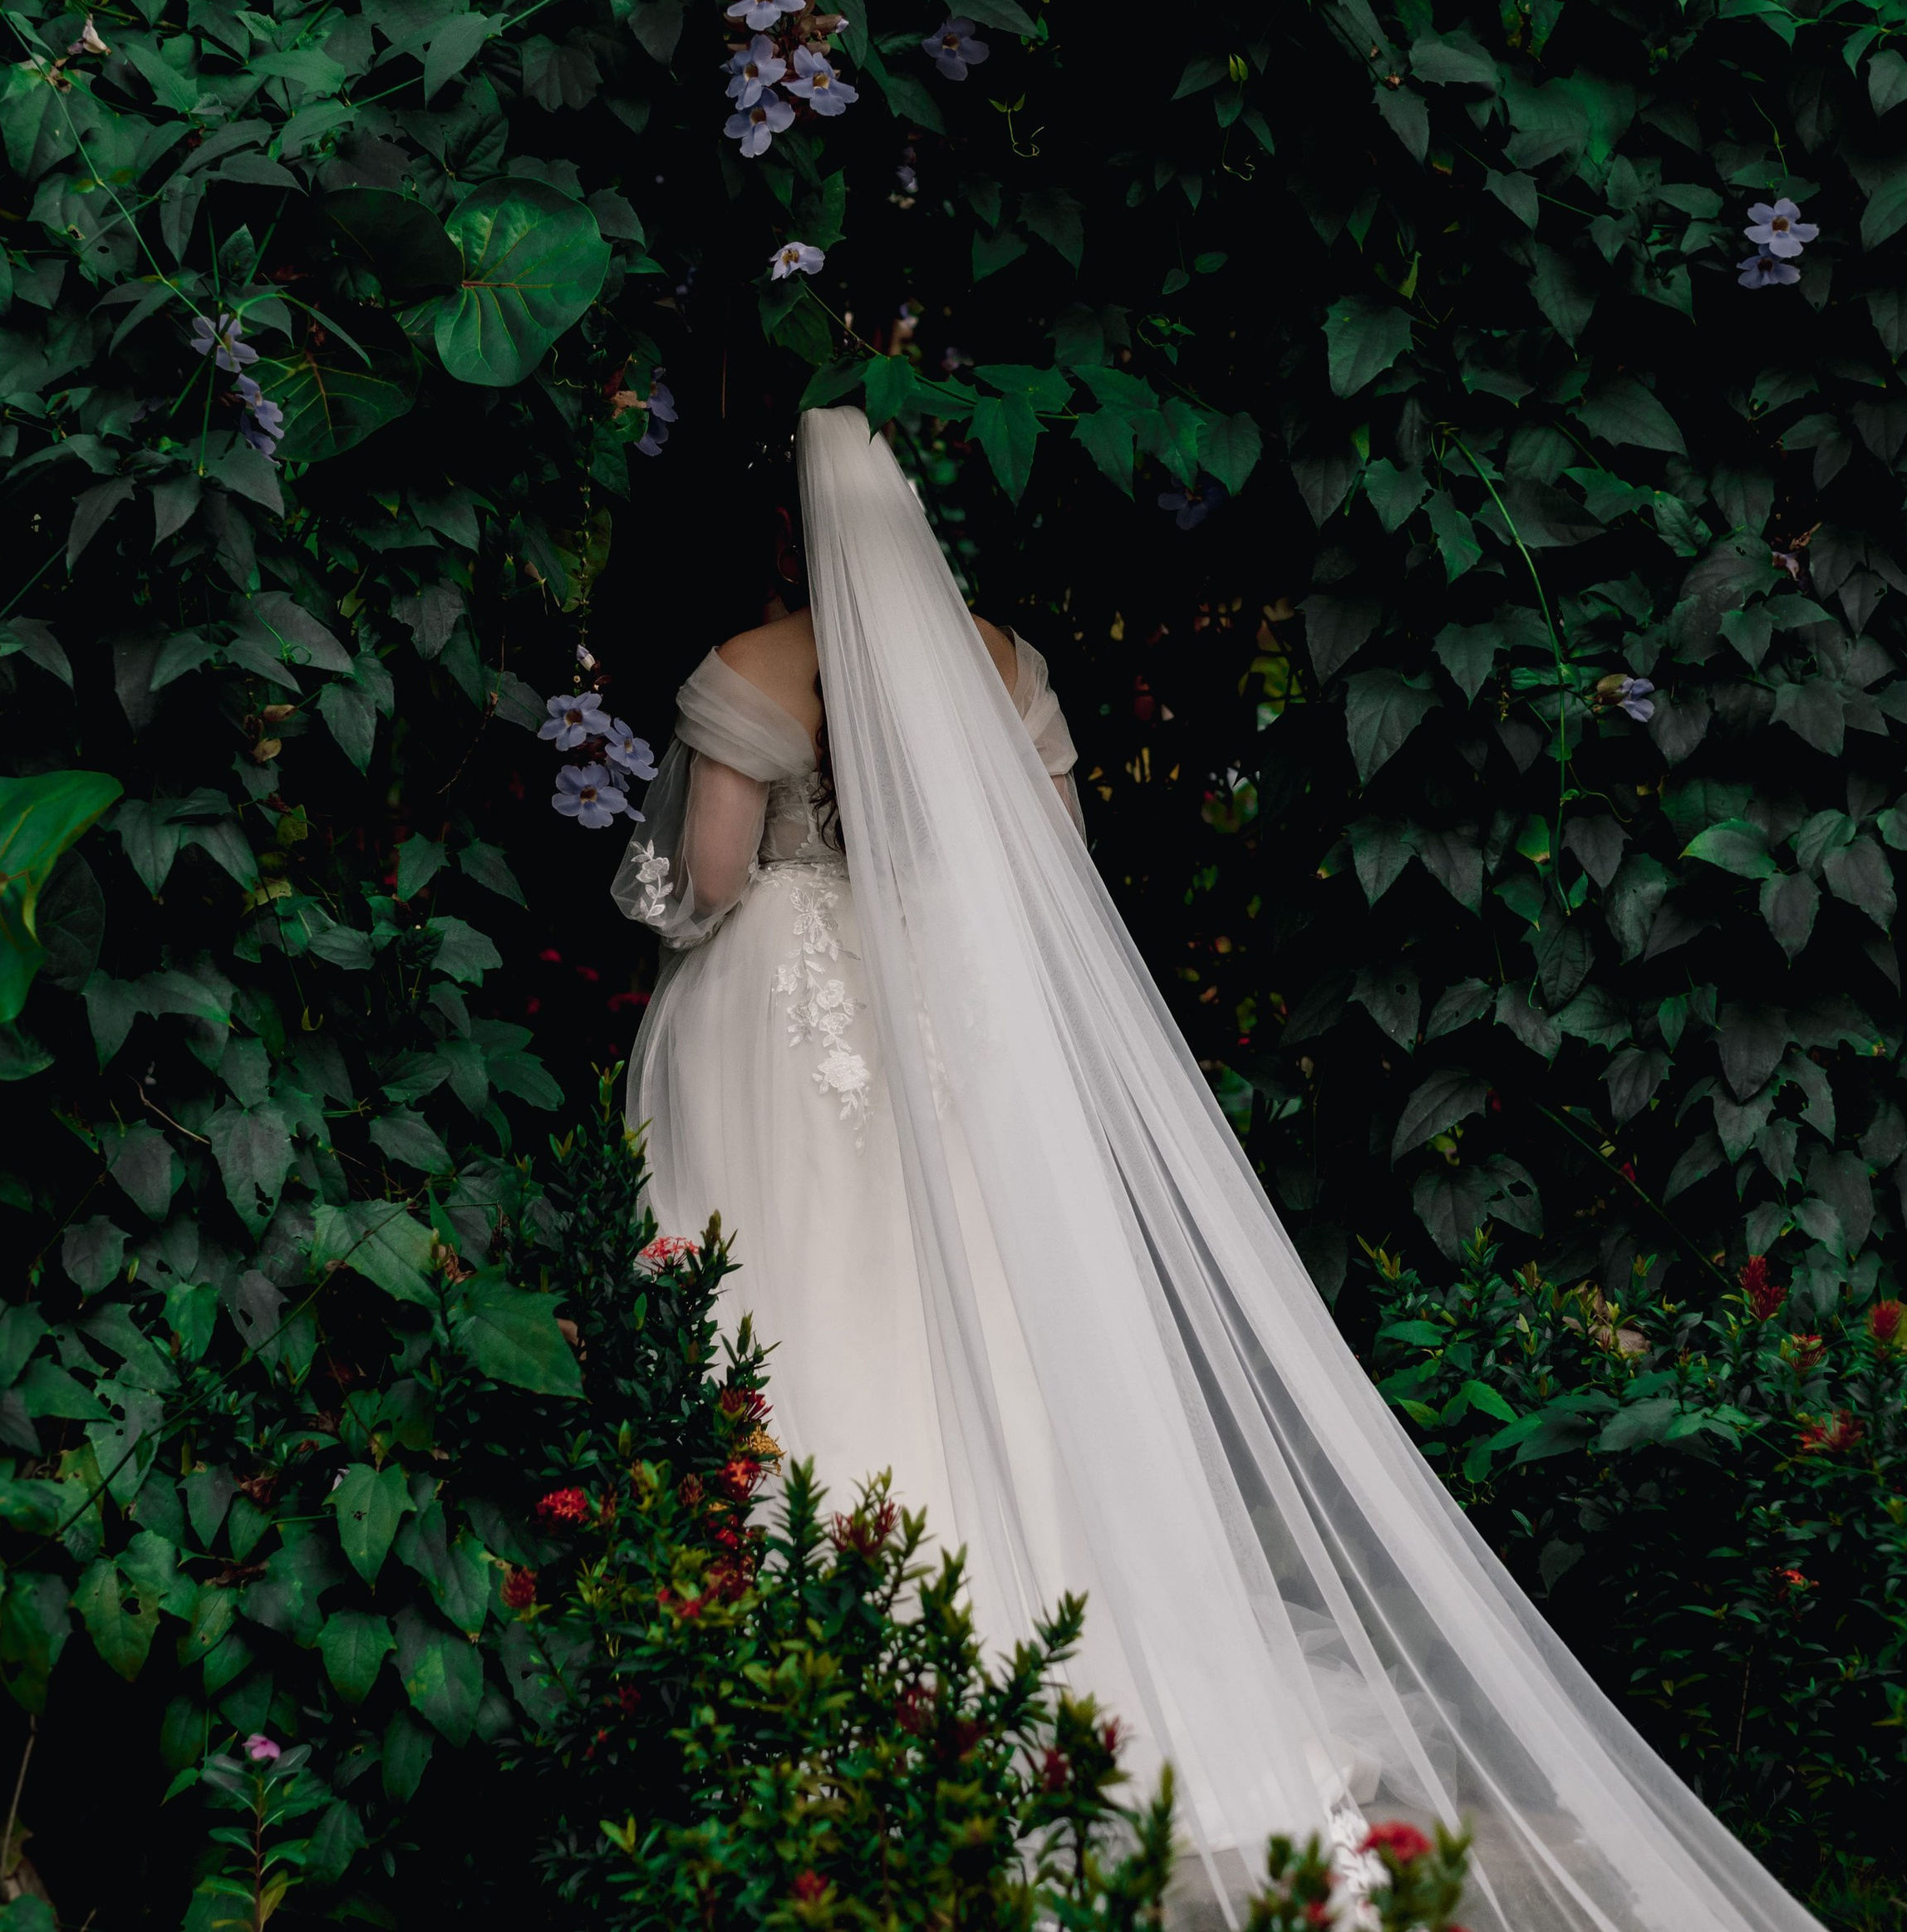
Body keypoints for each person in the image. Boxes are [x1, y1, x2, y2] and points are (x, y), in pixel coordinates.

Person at [612, 406, 1821, 1932]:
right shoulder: (1002, 664)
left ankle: (821, 1665)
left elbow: (707, 883)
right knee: (986, 1297)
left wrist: (723, 900)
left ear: (791, 529)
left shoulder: (751, 667)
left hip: (786, 1022)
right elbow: (1056, 877)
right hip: (946, 1015)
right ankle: (1058, 1640)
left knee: (797, 1280)